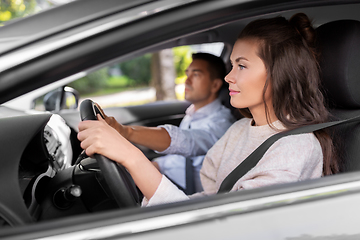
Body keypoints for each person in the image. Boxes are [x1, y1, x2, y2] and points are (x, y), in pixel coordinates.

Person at [77, 13, 339, 207]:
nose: (228, 77)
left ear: (280, 74)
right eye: (232, 64)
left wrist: (131, 157)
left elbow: (230, 228)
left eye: (241, 66)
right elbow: (211, 201)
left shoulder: (294, 148)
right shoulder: (239, 130)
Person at [94, 52, 235, 193]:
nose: (187, 80)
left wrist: (124, 131)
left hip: (188, 196)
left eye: (196, 75)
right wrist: (153, 165)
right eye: (187, 74)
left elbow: (188, 142)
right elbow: (176, 160)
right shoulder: (192, 114)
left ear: (215, 85)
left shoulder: (222, 124)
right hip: (168, 179)